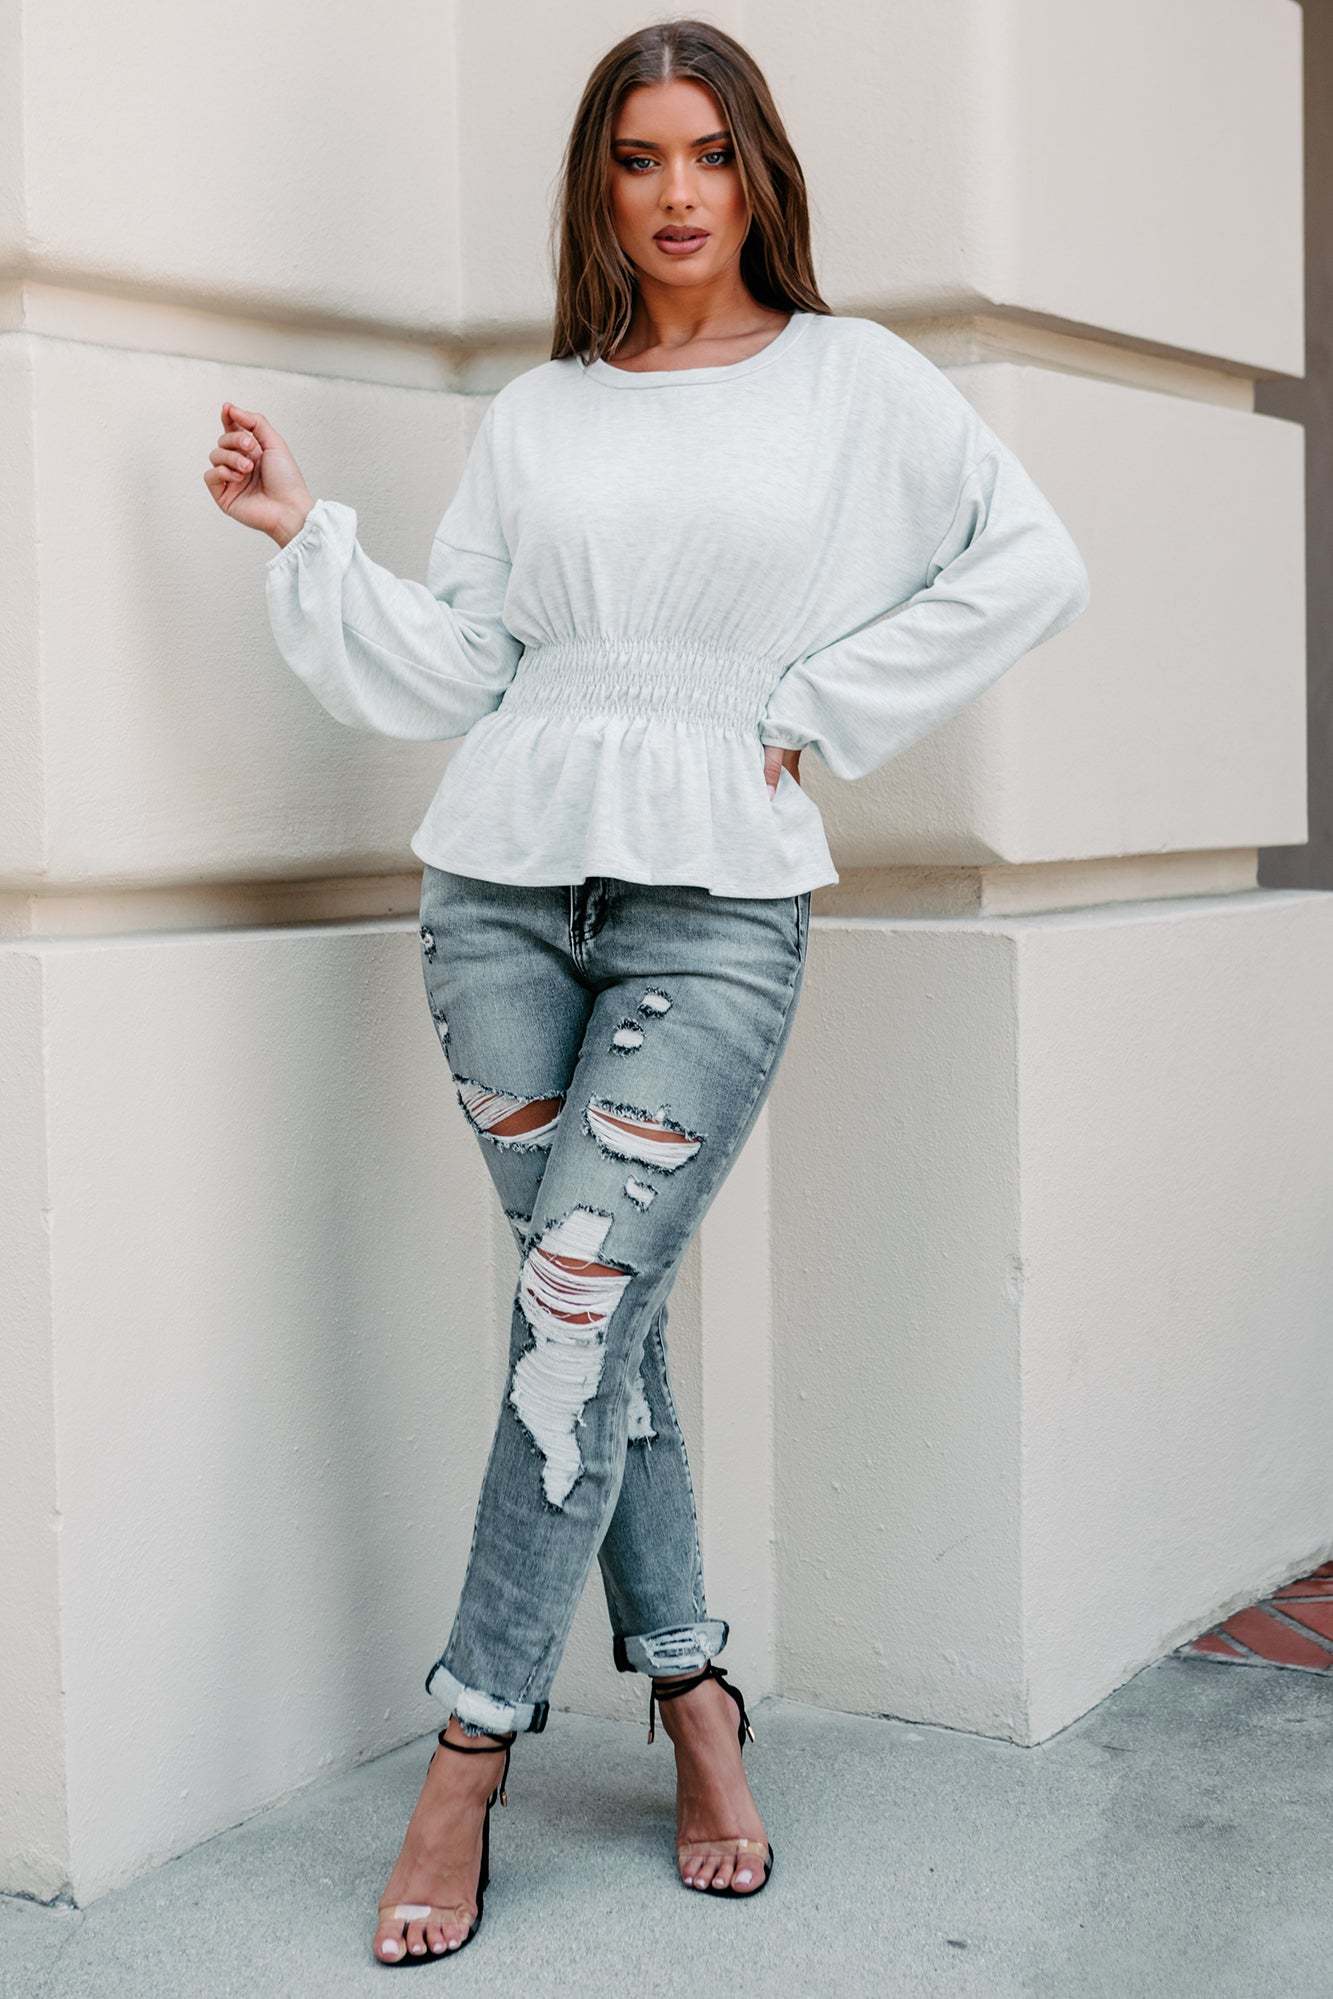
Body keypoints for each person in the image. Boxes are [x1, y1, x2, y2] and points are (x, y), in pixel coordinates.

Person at [203, 15, 1089, 1968]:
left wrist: (815, 703)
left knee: (572, 1315)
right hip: (496, 897)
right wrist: (303, 537)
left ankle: (467, 1754)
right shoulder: (543, 412)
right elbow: (463, 663)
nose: (675, 193)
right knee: (590, 1330)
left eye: (706, 152)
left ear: (758, 171)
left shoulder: (854, 382)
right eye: (635, 157)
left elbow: (1029, 563)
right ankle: (693, 1696)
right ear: (597, 186)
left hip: (713, 908)